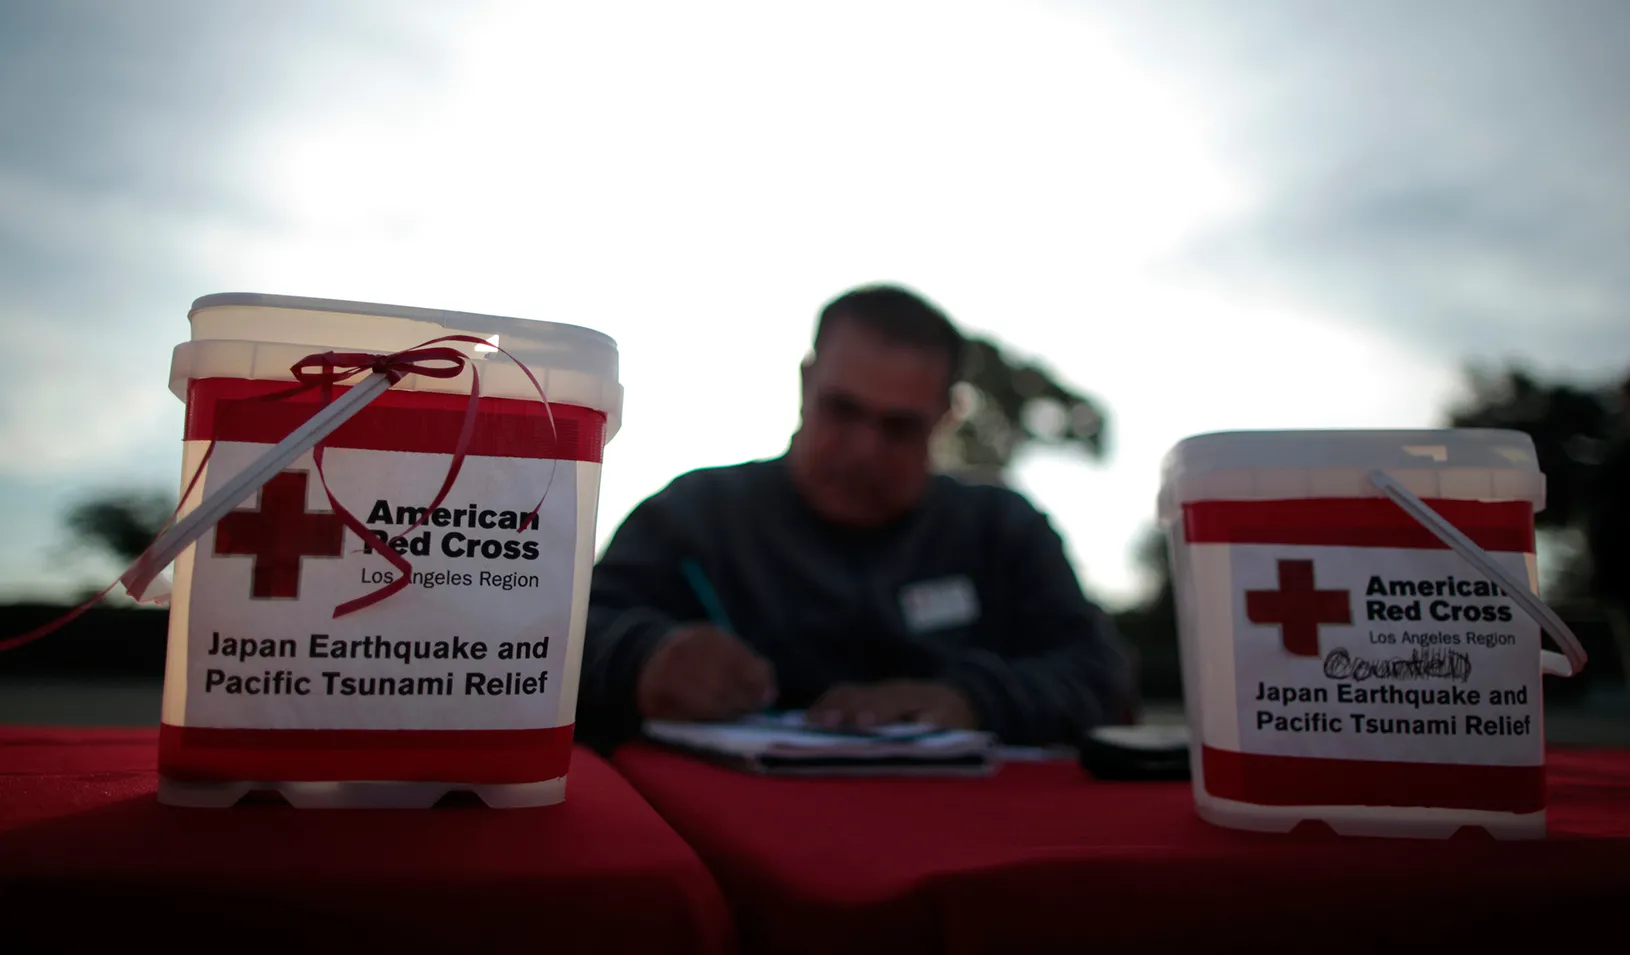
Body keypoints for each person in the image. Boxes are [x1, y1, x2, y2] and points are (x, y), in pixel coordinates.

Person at [574, 284, 1136, 753]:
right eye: (842, 410)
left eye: (899, 427)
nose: (864, 450)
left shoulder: (1003, 530)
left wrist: (972, 702)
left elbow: (1103, 679)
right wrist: (640, 659)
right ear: (804, 385)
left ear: (946, 417)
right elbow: (549, 643)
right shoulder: (693, 517)